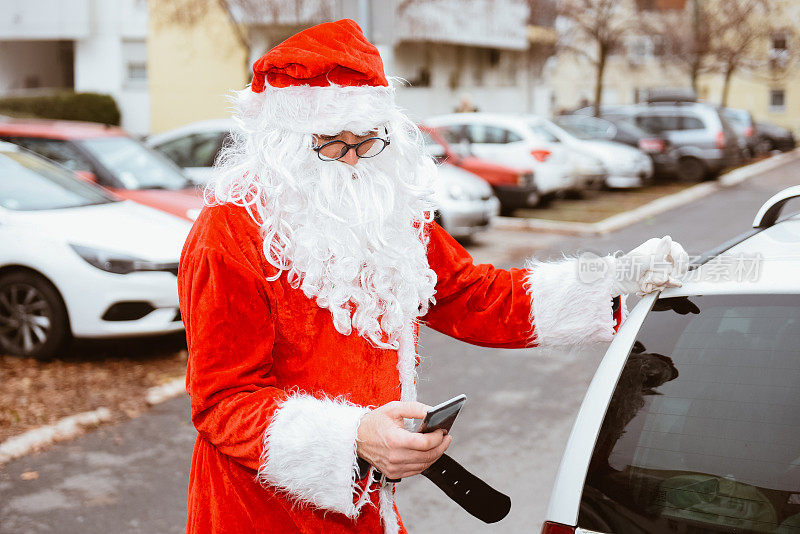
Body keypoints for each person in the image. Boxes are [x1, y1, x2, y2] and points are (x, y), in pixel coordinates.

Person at [178, 19, 688, 534]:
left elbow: (475, 295)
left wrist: (615, 280)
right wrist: (353, 436)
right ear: (283, 145)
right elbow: (223, 402)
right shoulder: (230, 231)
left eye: (367, 141)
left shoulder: (391, 216)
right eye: (332, 143)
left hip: (367, 502)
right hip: (257, 510)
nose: (353, 161)